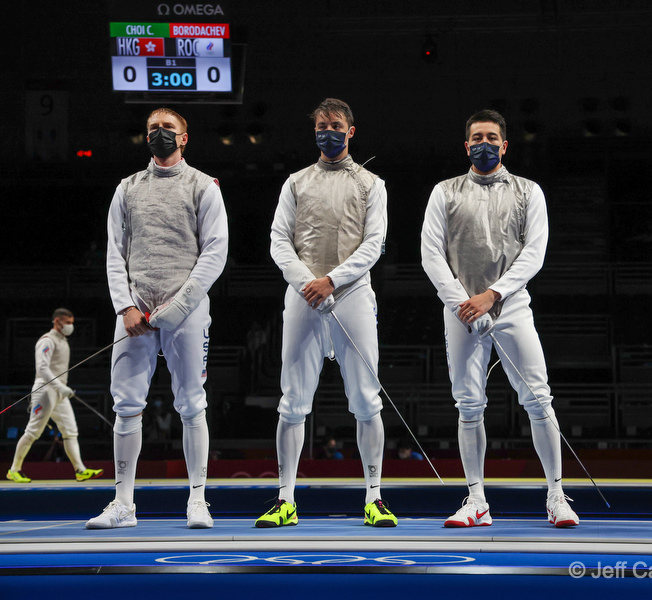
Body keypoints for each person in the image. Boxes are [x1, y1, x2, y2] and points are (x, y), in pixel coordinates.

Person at [421, 109, 579, 528]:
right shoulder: (445, 192)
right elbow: (431, 254)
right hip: (460, 309)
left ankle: (557, 496)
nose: (484, 143)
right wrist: (463, 302)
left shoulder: (529, 191)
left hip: (511, 305)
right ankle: (476, 501)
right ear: (466, 144)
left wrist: (493, 294)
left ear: (505, 145)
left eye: (492, 137)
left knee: (538, 398)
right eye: (477, 137)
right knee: (468, 404)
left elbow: (534, 253)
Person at [87, 108, 228, 529]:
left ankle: (198, 500)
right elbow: (114, 253)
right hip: (135, 312)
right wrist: (125, 307)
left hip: (185, 312)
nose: (160, 134)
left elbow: (215, 252)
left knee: (192, 404)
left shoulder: (203, 186)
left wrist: (178, 307)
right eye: (153, 129)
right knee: (126, 405)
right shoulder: (127, 188)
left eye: (168, 129)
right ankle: (123, 504)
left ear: (184, 138)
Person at [258, 98, 396, 528]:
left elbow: (375, 244)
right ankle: (285, 500)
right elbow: (279, 241)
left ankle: (374, 497)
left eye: (336, 124)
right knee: (292, 402)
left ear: (350, 131)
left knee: (366, 401)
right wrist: (308, 283)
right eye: (321, 125)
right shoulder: (296, 183)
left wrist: (332, 281)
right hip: (302, 296)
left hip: (352, 295)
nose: (328, 131)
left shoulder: (372, 183)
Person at [6, 308, 104, 483]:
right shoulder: (47, 340)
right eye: (68, 323)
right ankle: (14, 470)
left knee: (71, 430)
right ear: (57, 321)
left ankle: (80, 470)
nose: (70, 326)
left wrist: (61, 388)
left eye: (72, 323)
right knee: (33, 431)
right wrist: (59, 386)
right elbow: (42, 368)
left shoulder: (63, 341)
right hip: (44, 390)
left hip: (59, 391)